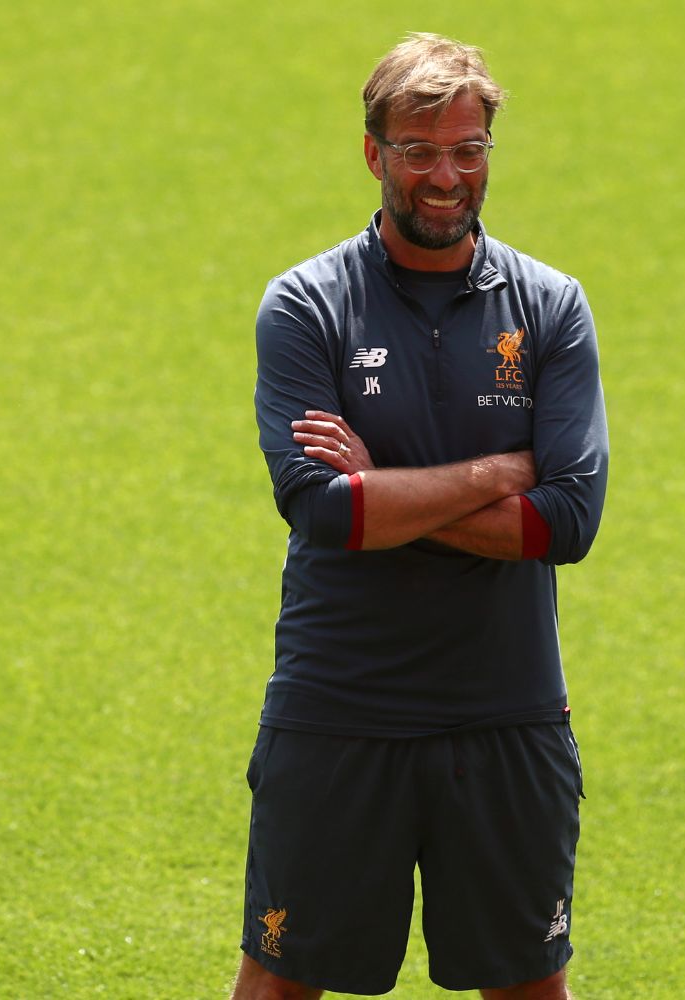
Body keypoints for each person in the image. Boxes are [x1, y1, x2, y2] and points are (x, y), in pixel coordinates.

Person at [234, 33, 608, 1000]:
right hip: (337, 714)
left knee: (530, 987)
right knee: (278, 985)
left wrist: (387, 489)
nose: (447, 176)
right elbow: (324, 511)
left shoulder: (552, 307)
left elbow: (563, 523)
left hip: (506, 715)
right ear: (374, 154)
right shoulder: (306, 306)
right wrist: (495, 471)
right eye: (420, 151)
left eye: (468, 148)